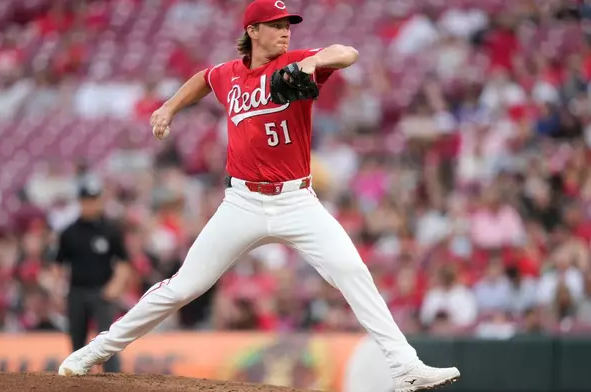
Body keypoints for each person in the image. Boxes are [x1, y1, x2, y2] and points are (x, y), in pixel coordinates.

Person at [58, 1, 461, 390]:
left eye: (288, 25)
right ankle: (95, 350)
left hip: (297, 200)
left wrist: (313, 63)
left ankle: (405, 366)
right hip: (242, 202)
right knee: (184, 287)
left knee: (352, 272)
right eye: (276, 25)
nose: (285, 31)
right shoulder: (230, 74)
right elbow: (203, 78)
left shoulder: (295, 61)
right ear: (252, 31)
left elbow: (348, 53)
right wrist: (168, 108)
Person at [54, 179, 130, 373]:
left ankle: (114, 381)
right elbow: (58, 264)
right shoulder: (69, 233)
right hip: (77, 292)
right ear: (80, 202)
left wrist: (115, 287)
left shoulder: (111, 230)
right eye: (86, 200)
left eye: (94, 200)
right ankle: (77, 380)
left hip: (102, 293)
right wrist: (59, 291)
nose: (90, 204)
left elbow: (123, 262)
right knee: (76, 340)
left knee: (108, 341)